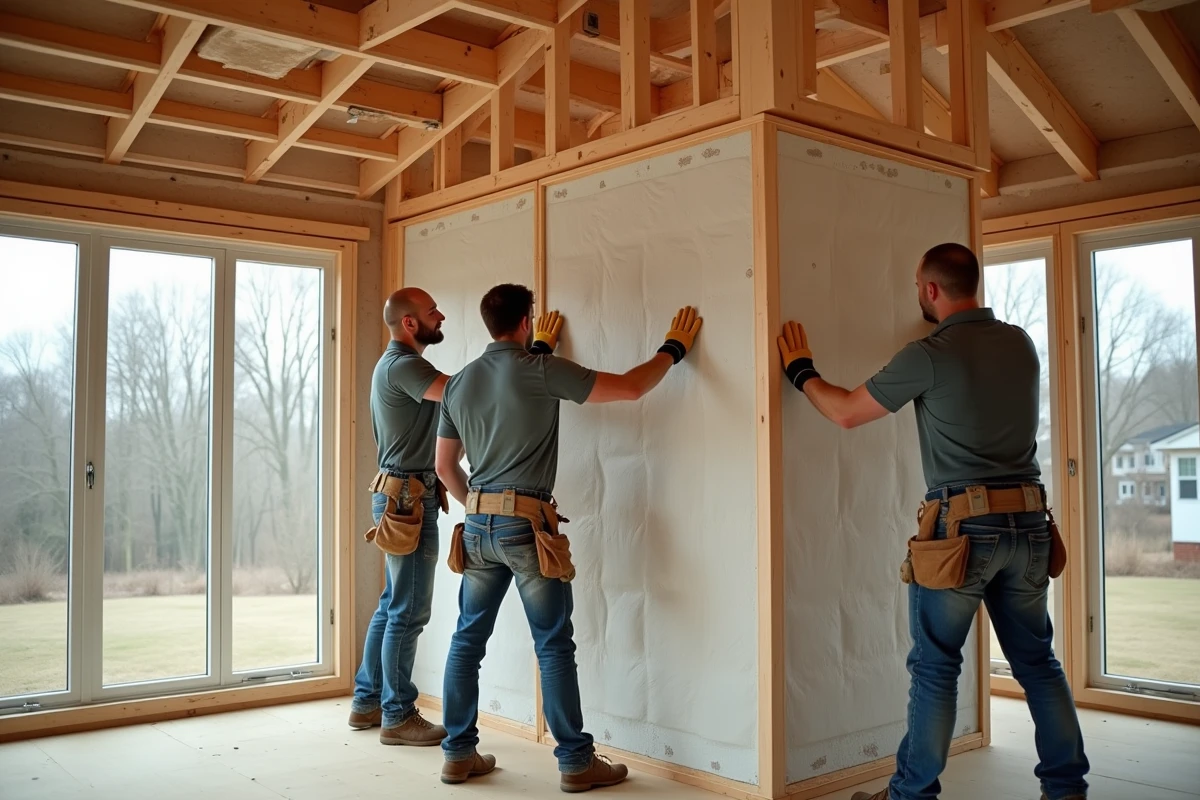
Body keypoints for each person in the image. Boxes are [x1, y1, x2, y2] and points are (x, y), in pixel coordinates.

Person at [777, 243, 1089, 800]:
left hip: (962, 532)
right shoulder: (1020, 343)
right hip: (1031, 524)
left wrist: (801, 371)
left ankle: (911, 795)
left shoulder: (927, 354)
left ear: (929, 289)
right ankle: (1067, 790)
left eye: (917, 283)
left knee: (936, 669)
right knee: (1039, 663)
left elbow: (847, 412)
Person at [434, 284, 702, 791]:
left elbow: (445, 467)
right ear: (526, 320)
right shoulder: (540, 371)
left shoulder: (460, 382)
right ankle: (576, 762)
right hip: (528, 526)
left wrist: (482, 506)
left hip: (476, 526)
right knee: (553, 644)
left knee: (466, 640)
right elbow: (628, 388)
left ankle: (457, 754)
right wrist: (673, 349)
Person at [348, 288, 451, 746]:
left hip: (402, 493)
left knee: (392, 605)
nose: (440, 315)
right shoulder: (407, 366)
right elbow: (462, 392)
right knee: (408, 611)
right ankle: (398, 714)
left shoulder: (393, 364)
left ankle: (367, 702)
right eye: (432, 312)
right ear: (410, 323)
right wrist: (524, 360)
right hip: (408, 499)